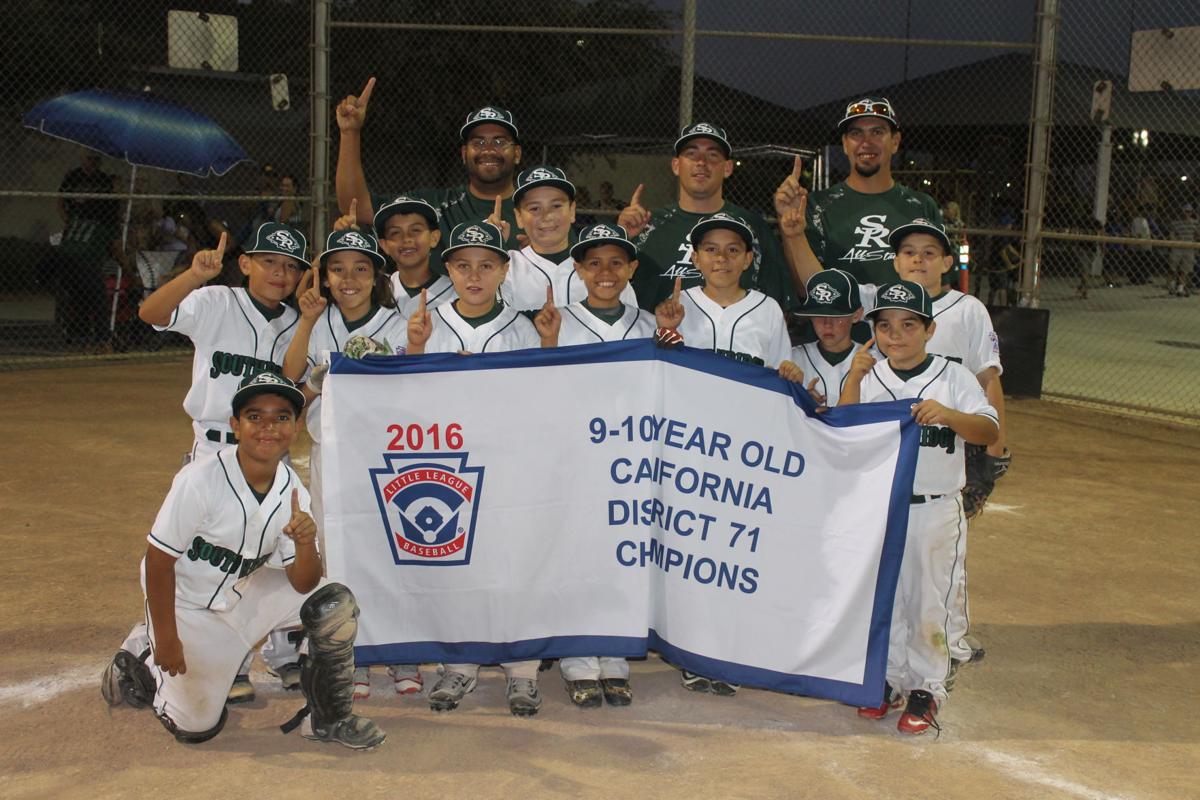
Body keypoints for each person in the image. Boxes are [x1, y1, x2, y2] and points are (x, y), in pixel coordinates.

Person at [100, 371, 386, 749]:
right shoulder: (200, 479)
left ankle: (328, 718)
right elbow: (157, 562)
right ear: (236, 425)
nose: (269, 426)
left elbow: (303, 584)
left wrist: (305, 542)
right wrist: (167, 637)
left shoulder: (290, 487)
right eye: (255, 416)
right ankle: (143, 655)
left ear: (295, 427)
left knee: (334, 601)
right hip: (186, 609)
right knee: (198, 728)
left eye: (281, 417)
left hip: (243, 595)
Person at [137, 222, 308, 700]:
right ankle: (220, 657)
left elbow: (299, 383)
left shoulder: (296, 324)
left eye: (291, 266)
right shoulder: (217, 302)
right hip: (213, 448)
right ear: (246, 263)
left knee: (275, 545)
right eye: (270, 261)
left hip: (270, 448)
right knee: (214, 553)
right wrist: (194, 276)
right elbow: (151, 312)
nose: (281, 273)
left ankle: (284, 650)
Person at [405, 219, 560, 716]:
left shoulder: (521, 325)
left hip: (510, 463)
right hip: (449, 465)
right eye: (463, 265)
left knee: (516, 563)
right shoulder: (428, 323)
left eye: (486, 265)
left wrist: (548, 348)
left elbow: (546, 397)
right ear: (447, 269)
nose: (474, 275)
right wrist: (414, 351)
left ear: (503, 269)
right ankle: (460, 664)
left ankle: (522, 671)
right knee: (458, 565)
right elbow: (406, 400)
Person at [652, 212, 805, 697]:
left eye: (732, 249)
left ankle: (729, 649)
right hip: (688, 451)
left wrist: (789, 376)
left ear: (749, 258)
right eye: (711, 249)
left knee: (735, 553)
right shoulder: (676, 305)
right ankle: (692, 651)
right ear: (694, 258)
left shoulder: (766, 310)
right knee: (689, 556)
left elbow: (784, 373)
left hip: (744, 453)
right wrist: (664, 335)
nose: (721, 258)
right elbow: (656, 375)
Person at [839, 280, 999, 735]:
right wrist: (852, 379)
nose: (896, 335)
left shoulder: (953, 377)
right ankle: (888, 680)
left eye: (909, 325)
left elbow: (987, 431)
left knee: (929, 599)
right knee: (884, 597)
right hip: (882, 509)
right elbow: (846, 432)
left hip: (933, 508)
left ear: (929, 330)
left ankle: (928, 686)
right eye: (886, 325)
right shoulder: (868, 375)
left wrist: (949, 414)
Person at [281, 226, 414, 700]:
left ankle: (400, 649)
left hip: (387, 453)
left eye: (360, 268)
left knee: (392, 546)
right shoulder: (318, 319)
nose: (349, 278)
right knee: (338, 548)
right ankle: (351, 651)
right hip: (331, 452)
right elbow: (290, 377)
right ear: (325, 276)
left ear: (377, 274)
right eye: (337, 269)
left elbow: (411, 390)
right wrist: (305, 322)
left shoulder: (398, 323)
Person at [886, 219, 1007, 671]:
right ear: (896, 262)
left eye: (929, 252)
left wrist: (993, 454)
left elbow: (988, 380)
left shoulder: (968, 309)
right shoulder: (886, 308)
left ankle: (951, 640)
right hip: (899, 456)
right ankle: (917, 644)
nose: (919, 259)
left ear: (948, 263)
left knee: (946, 555)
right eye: (909, 252)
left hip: (956, 440)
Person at [335, 77, 522, 256]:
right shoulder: (433, 206)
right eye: (478, 143)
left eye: (499, 142)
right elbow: (357, 207)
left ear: (517, 154)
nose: (488, 150)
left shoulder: (538, 211)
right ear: (464, 154)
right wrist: (350, 132)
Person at [774, 97, 942, 294]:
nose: (866, 142)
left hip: (902, 323)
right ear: (845, 144)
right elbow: (804, 290)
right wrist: (787, 223)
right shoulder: (816, 206)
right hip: (837, 323)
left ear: (895, 142)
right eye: (856, 133)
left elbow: (939, 289)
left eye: (877, 132)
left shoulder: (921, 205)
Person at [620, 122, 794, 312]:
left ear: (727, 168)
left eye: (713, 155)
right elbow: (607, 294)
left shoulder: (753, 228)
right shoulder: (647, 227)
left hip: (733, 340)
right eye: (691, 154)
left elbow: (777, 308)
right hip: (656, 339)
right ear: (676, 165)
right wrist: (621, 238)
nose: (701, 162)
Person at [495, 167, 637, 310]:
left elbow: (631, 325)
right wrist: (486, 248)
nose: (547, 216)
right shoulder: (506, 269)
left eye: (556, 206)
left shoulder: (605, 270)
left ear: (572, 211)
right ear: (519, 217)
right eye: (534, 208)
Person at [790, 269, 869, 408]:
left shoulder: (873, 362)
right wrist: (800, 402)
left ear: (856, 315)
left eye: (836, 316)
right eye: (819, 315)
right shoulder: (792, 358)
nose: (827, 324)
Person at [372, 195, 456, 318]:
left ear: (434, 238)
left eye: (416, 230)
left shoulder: (455, 293)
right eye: (395, 232)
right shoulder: (377, 292)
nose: (406, 238)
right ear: (384, 245)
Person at [1167, 203, 1197, 297]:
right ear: (1182, 211)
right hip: (1177, 248)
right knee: (1172, 269)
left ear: (1191, 212)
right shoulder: (1175, 223)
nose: (1187, 213)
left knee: (1184, 270)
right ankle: (1171, 287)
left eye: (1189, 211)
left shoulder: (1195, 223)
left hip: (1189, 248)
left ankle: (1180, 290)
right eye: (1185, 211)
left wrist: (1194, 240)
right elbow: (1171, 234)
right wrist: (1175, 239)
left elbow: (1197, 234)